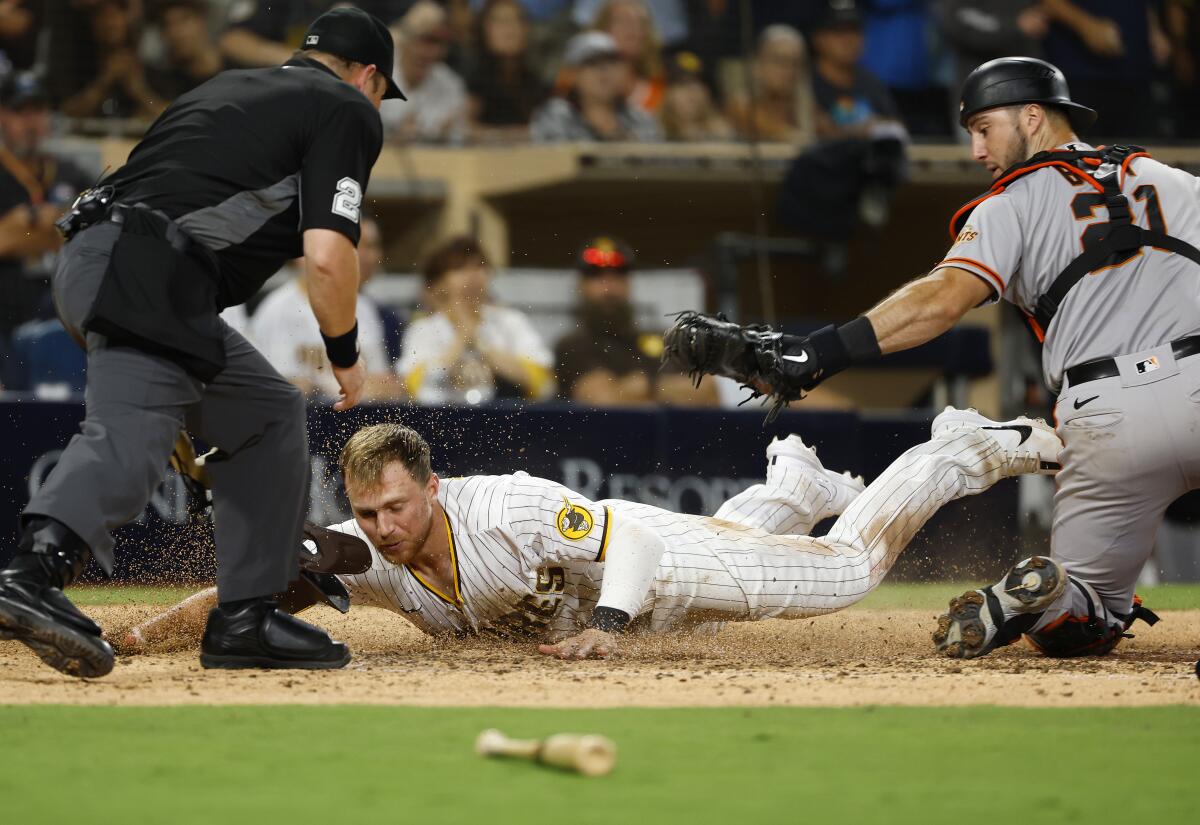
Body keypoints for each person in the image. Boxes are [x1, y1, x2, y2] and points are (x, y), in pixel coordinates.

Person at [665, 56, 1190, 661]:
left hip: (1112, 413)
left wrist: (819, 352)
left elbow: (941, 301)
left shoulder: (1010, 204)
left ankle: (1043, 600)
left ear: (1032, 116)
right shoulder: (1175, 181)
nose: (974, 149)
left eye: (983, 127)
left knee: (1087, 619)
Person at [0, 7, 405, 678]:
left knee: (266, 413)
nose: (378, 109)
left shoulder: (227, 87)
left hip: (104, 262)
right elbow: (329, 257)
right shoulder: (345, 107)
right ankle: (29, 573)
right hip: (147, 272)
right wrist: (346, 354)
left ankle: (246, 618)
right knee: (132, 438)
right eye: (382, 94)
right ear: (367, 76)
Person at [119, 410, 1061, 659]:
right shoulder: (373, 554)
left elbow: (638, 552)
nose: (383, 527)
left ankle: (960, 451)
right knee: (734, 548)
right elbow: (263, 583)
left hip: (639, 570)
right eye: (366, 513)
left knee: (847, 570)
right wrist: (138, 635)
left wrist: (606, 628)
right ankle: (793, 483)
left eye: (397, 507)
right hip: (637, 611)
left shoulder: (507, 505)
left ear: (432, 486)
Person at [251, 215, 401, 401]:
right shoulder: (278, 308)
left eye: (370, 246)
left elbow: (385, 385)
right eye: (356, 244)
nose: (363, 255)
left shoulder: (365, 307)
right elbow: (276, 388)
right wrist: (335, 387)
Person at [554, 236, 716, 407]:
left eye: (619, 275)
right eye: (597, 276)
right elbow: (603, 401)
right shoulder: (572, 345)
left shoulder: (663, 338)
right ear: (581, 285)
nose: (609, 287)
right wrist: (668, 389)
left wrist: (644, 387)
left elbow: (709, 392)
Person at [398, 235, 552, 405]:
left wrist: (480, 342)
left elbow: (542, 384)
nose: (472, 276)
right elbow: (416, 390)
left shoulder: (510, 321)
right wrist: (462, 335)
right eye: (459, 268)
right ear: (439, 283)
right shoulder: (423, 329)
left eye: (480, 266)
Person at [0, 72, 92, 343]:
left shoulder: (72, 173)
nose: (31, 123)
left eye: (38, 111)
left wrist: (25, 228)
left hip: (63, 323)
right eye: (20, 112)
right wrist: (58, 227)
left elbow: (96, 237)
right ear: (2, 116)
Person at [531, 30, 662, 142]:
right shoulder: (556, 116)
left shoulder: (639, 119)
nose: (603, 69)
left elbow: (658, 166)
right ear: (573, 75)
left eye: (611, 61)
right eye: (592, 63)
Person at [59, 0, 163, 120]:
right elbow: (65, 113)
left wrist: (138, 91)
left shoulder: (145, 66)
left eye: (116, 16)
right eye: (103, 17)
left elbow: (166, 115)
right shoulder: (80, 67)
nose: (110, 23)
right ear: (93, 25)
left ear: (127, 20)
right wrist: (104, 81)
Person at [383, 0, 468, 144]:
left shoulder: (451, 85)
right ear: (406, 39)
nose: (431, 52)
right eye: (424, 41)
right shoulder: (376, 76)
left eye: (440, 44)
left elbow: (459, 138)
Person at [464, 0, 549, 142]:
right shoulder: (472, 79)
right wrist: (504, 136)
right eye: (501, 21)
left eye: (518, 20)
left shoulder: (534, 81)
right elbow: (464, 128)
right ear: (484, 29)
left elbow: (545, 129)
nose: (510, 29)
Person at [724, 24, 815, 145]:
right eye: (779, 61)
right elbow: (774, 129)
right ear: (757, 65)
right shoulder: (741, 106)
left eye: (796, 63)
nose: (789, 70)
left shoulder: (807, 108)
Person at [590, 0, 666, 114]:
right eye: (624, 21)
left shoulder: (660, 86)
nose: (633, 29)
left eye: (641, 23)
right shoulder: (579, 82)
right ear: (603, 28)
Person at [147, 0, 229, 102]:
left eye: (183, 20)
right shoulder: (165, 84)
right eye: (166, 25)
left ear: (201, 20)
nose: (175, 33)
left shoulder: (238, 68)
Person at [657, 50, 733, 142]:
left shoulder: (720, 131)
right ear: (668, 93)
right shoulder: (655, 131)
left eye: (696, 83)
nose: (691, 92)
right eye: (682, 84)